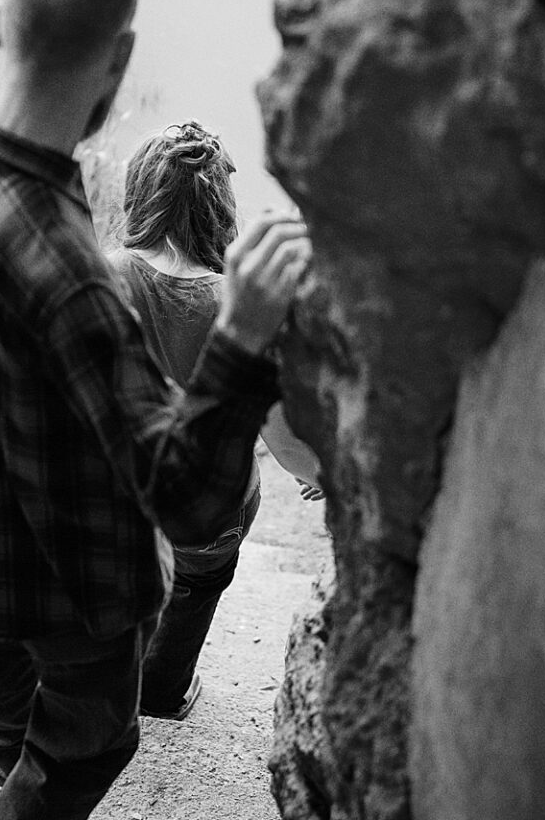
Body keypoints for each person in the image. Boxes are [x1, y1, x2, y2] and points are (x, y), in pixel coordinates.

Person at [0, 0, 312, 820]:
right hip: (69, 610)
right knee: (79, 753)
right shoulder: (71, 281)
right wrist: (247, 336)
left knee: (10, 732)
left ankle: (5, 773)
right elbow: (186, 496)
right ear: (122, 58)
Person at [108, 121, 322, 722]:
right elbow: (286, 445)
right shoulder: (241, 305)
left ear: (137, 196)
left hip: (110, 514)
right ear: (222, 209)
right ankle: (161, 692)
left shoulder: (98, 277)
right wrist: (327, 477)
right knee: (190, 597)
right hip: (204, 528)